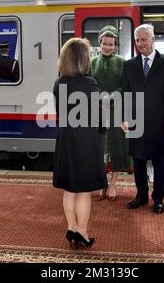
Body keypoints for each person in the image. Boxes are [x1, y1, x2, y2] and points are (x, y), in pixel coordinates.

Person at [53, 37, 107, 248]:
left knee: (69, 189)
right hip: (85, 142)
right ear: (85, 60)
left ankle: (71, 228)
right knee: (84, 190)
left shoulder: (59, 83)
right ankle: (82, 232)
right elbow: (97, 117)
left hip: (66, 140)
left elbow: (60, 113)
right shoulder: (90, 83)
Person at [121, 24, 164, 214]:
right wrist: (124, 118)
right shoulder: (129, 65)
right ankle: (141, 196)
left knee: (159, 162)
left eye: (144, 39)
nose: (140, 43)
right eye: (137, 40)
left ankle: (158, 199)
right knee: (138, 161)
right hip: (135, 122)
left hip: (160, 122)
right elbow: (125, 94)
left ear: (153, 39)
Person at [90, 25, 130, 202]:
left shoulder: (122, 61)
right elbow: (89, 84)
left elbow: (125, 85)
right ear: (99, 43)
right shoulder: (92, 62)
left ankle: (113, 184)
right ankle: (102, 184)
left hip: (117, 110)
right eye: (105, 44)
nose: (107, 47)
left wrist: (113, 96)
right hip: (97, 110)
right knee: (98, 148)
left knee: (117, 146)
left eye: (111, 44)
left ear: (116, 45)